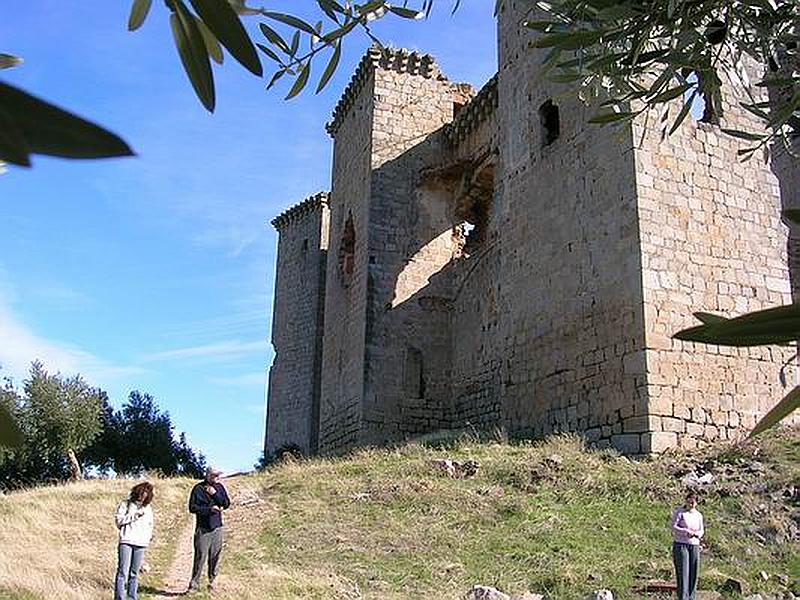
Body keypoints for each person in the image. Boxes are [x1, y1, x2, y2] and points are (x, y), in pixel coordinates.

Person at [187, 466, 231, 593]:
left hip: (217, 527)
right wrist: (209, 510)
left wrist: (215, 494)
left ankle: (213, 583)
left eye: (218, 475)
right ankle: (194, 585)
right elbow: (192, 508)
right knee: (200, 556)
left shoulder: (220, 488)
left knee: (215, 556)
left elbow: (226, 503)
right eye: (214, 475)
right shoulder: (198, 488)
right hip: (203, 528)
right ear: (208, 475)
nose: (217, 478)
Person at [114, 481, 154, 600]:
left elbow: (150, 524)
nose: (143, 496)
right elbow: (118, 521)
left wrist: (148, 537)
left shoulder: (148, 508)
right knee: (122, 572)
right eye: (142, 493)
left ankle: (132, 597)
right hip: (126, 540)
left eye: (146, 494)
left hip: (141, 543)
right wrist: (134, 516)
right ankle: (120, 597)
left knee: (134, 573)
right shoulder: (125, 504)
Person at [671, 491, 705, 600]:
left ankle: (692, 597)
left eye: (693, 502)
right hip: (681, 544)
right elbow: (674, 527)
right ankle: (683, 597)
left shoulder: (698, 515)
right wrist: (686, 532)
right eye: (689, 502)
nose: (690, 504)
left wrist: (697, 534)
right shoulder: (680, 512)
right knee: (683, 573)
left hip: (694, 545)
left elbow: (701, 530)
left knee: (693, 572)